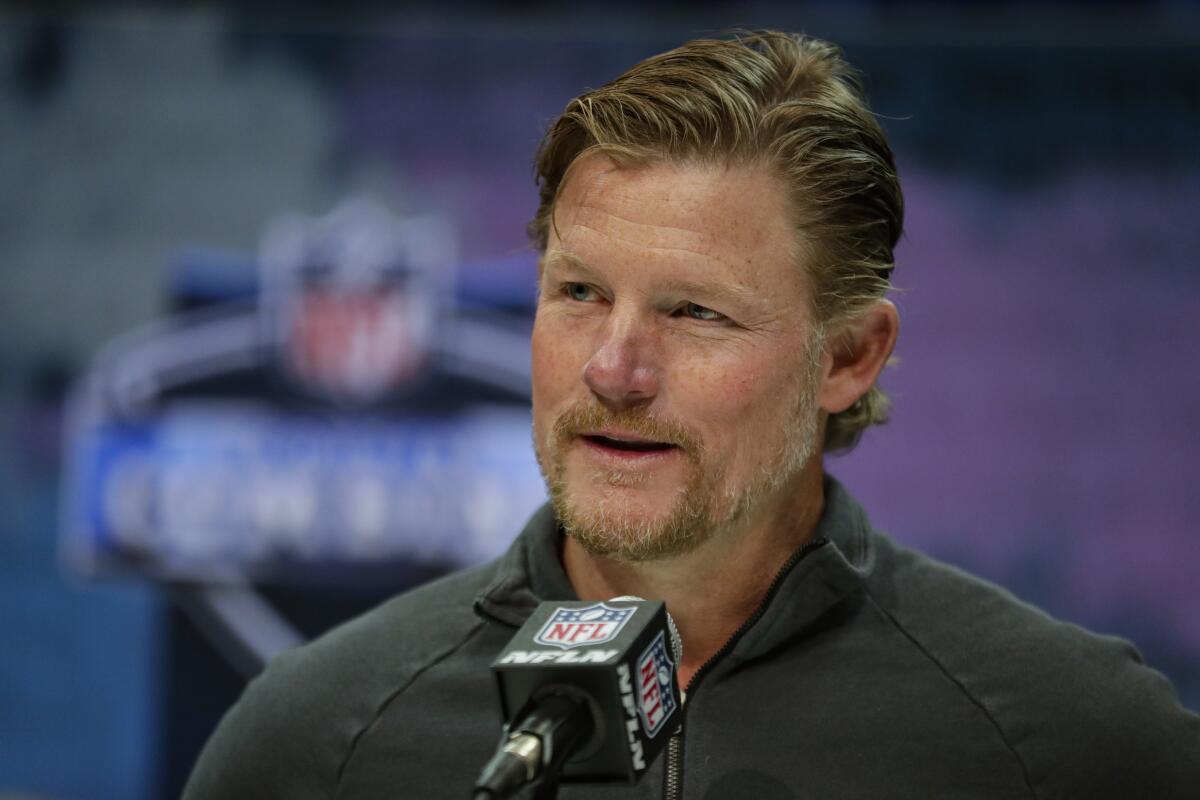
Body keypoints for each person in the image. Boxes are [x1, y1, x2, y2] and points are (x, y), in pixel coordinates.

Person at [183, 30, 1199, 799]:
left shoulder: (1070, 740)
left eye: (695, 311)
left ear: (849, 355)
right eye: (578, 294)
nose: (615, 369)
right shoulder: (313, 738)